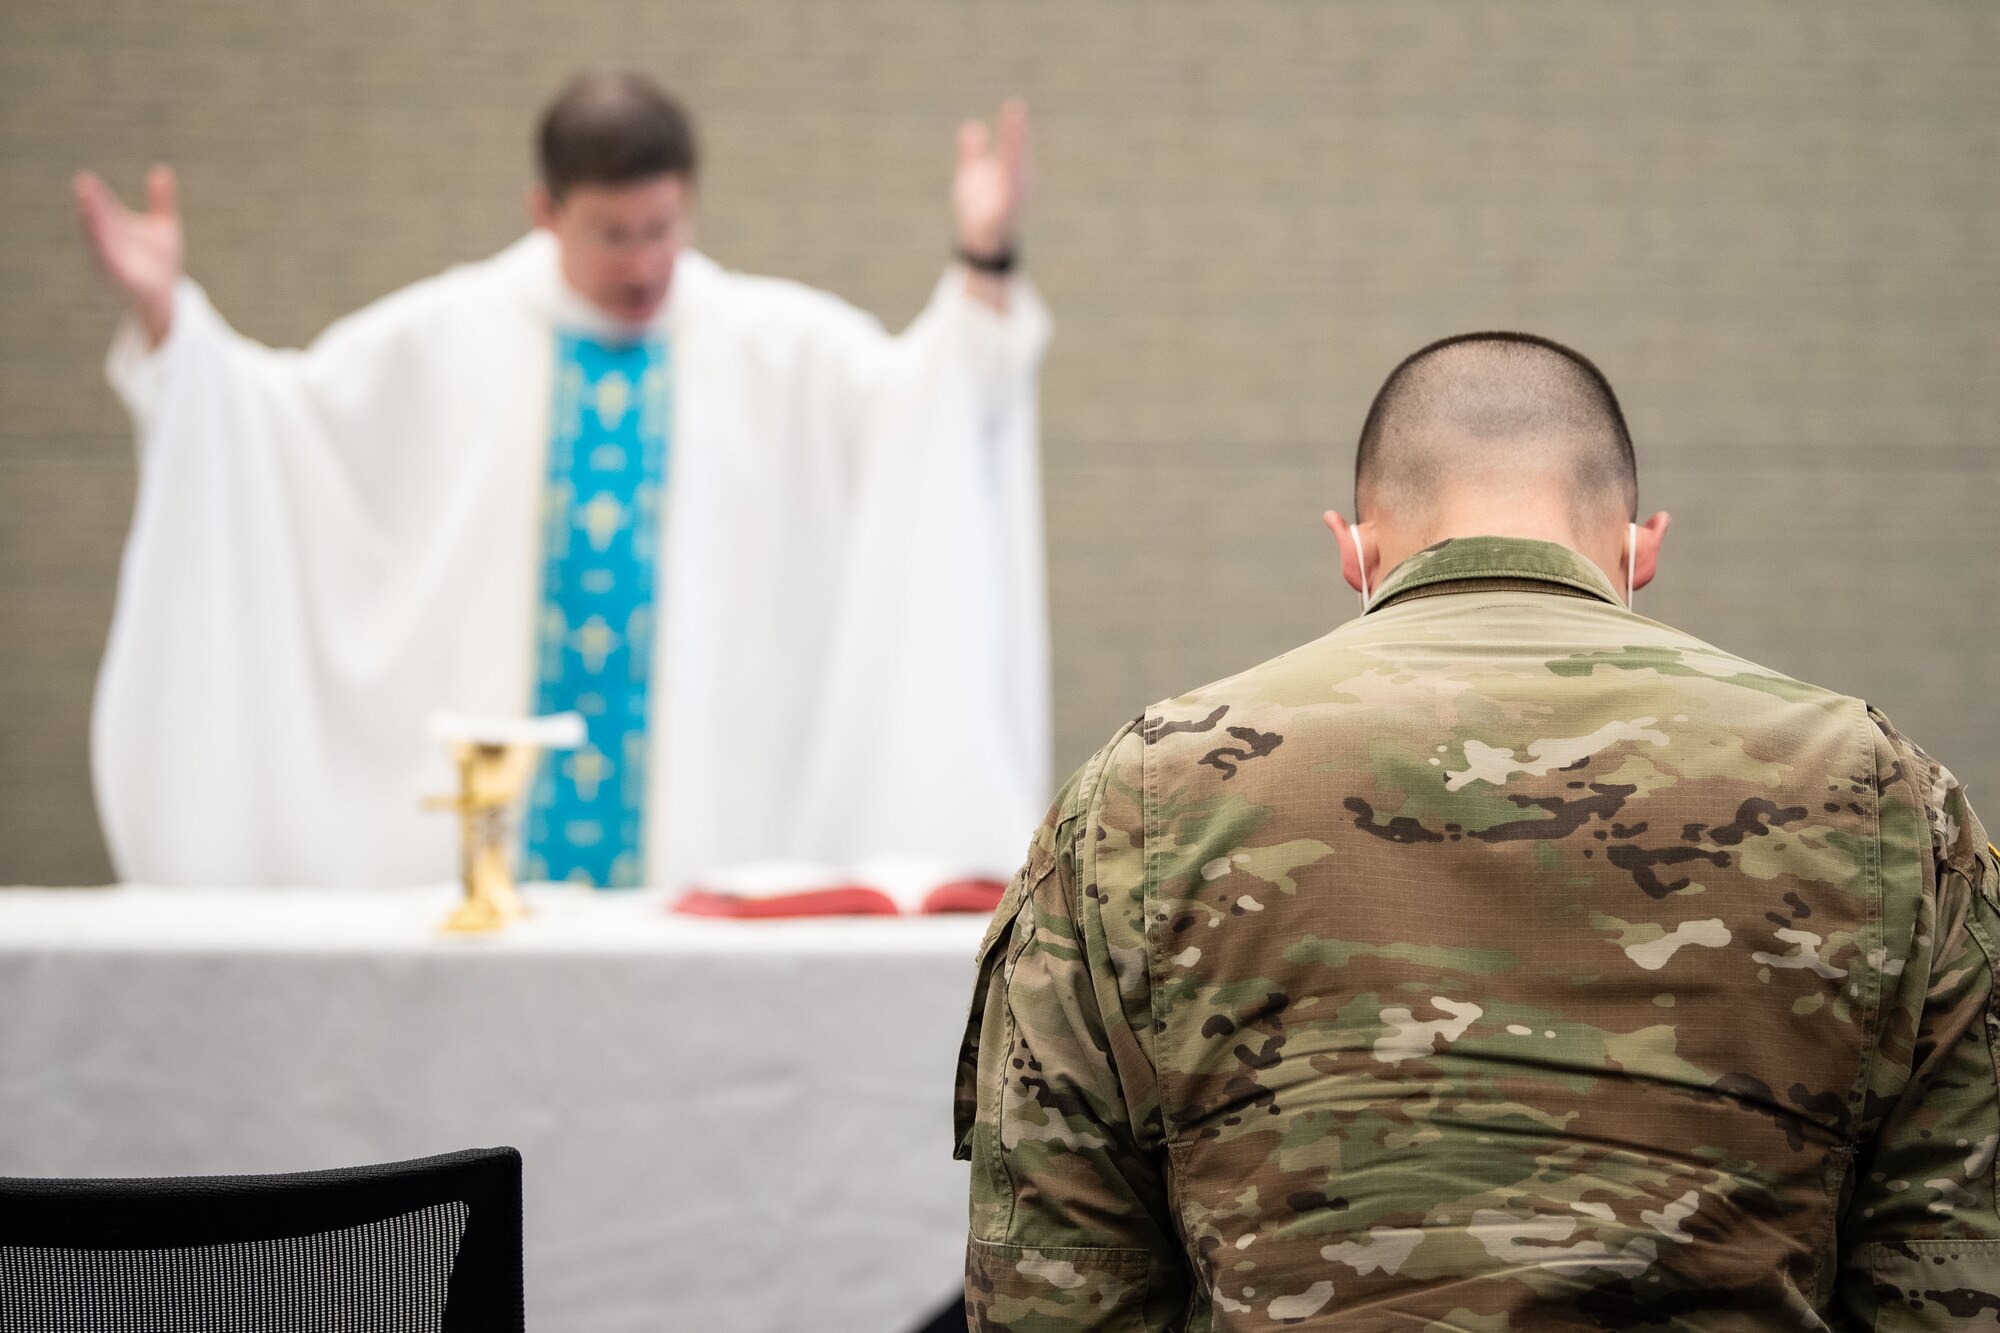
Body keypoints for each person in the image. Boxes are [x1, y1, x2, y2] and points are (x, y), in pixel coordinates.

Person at [955, 332, 1999, 1328]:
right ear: (1640, 550)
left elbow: (1054, 1283)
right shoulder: (1873, 789)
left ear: (1351, 548)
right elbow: (1953, 1264)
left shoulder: (1145, 791)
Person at [74, 71, 1050, 890]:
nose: (644, 262)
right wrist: (172, 320)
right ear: (543, 211)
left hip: (707, 851)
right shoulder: (446, 336)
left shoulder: (773, 346)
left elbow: (932, 405)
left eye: (662, 227)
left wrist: (982, 258)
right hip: (486, 873)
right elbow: (271, 425)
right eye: (611, 234)